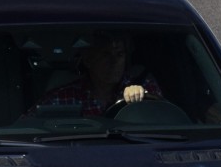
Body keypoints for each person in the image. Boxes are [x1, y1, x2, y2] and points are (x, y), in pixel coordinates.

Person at [31, 32, 162, 117]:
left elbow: (165, 119)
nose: (114, 61)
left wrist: (142, 99)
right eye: (106, 55)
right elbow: (27, 127)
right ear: (88, 60)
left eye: (120, 54)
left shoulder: (143, 84)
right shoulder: (63, 97)